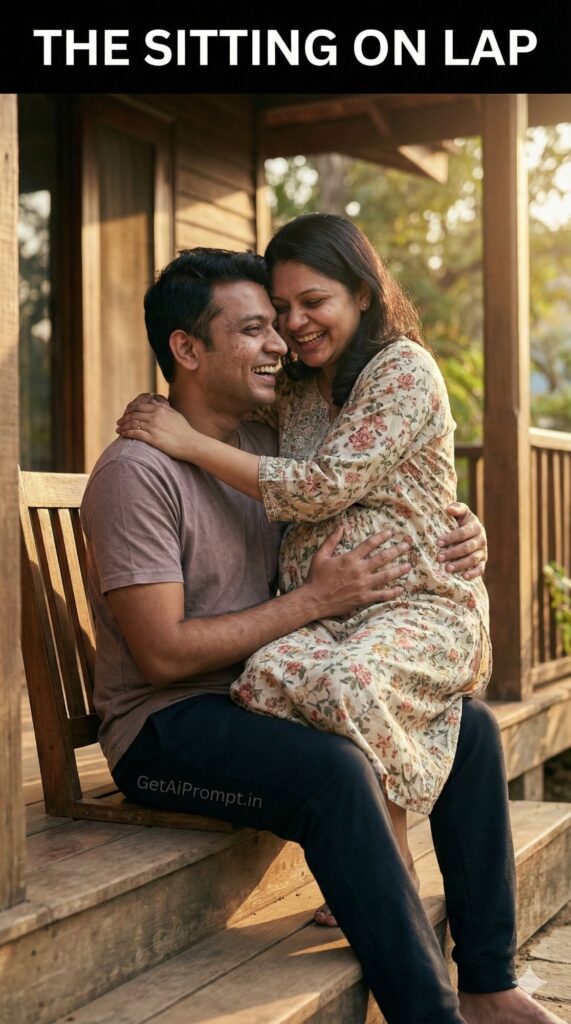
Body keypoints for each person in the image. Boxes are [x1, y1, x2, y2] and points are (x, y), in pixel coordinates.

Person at [90, 247, 561, 1024]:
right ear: (186, 349)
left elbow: (371, 495)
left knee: (468, 725)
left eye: (278, 323)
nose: (280, 342)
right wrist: (313, 602)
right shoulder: (137, 474)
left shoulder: (268, 452)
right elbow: (163, 654)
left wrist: (457, 528)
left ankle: (485, 981)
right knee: (339, 774)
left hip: (268, 690)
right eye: (253, 328)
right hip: (167, 726)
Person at [116, 214, 490, 924]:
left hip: (411, 605)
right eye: (278, 310)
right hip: (333, 614)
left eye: (309, 303)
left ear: (361, 293)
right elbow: (213, 378)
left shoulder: (401, 368)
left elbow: (321, 482)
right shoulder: (299, 386)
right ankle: (385, 873)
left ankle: (394, 866)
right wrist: (167, 418)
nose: (290, 326)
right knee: (265, 678)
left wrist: (188, 442)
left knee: (381, 693)